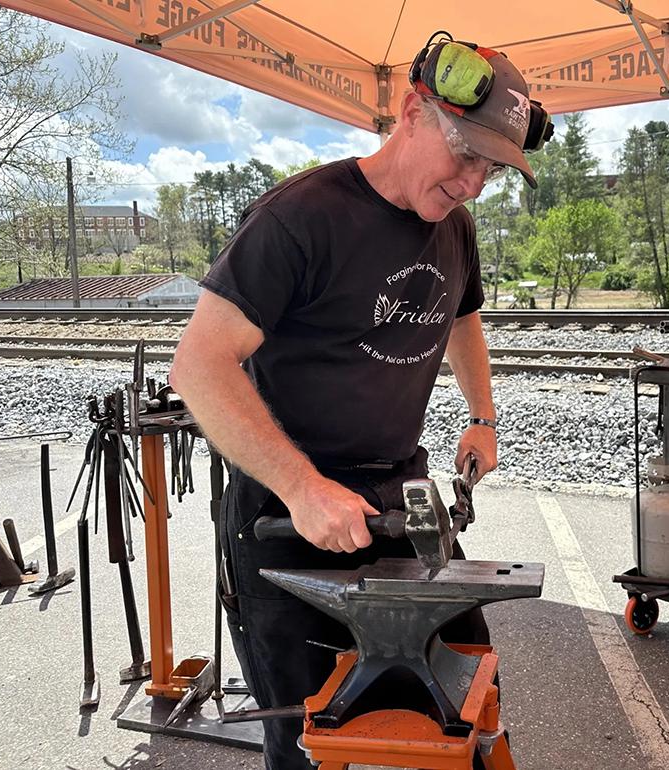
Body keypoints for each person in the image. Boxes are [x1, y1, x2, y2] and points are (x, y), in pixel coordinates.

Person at [170, 34, 550, 770]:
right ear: (412, 110)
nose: (473, 182)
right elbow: (200, 366)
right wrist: (303, 488)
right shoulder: (299, 219)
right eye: (465, 153)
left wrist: (481, 416)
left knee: (465, 686)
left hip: (399, 498)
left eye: (492, 168)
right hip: (287, 518)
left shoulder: (454, 224)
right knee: (311, 739)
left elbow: (462, 314)